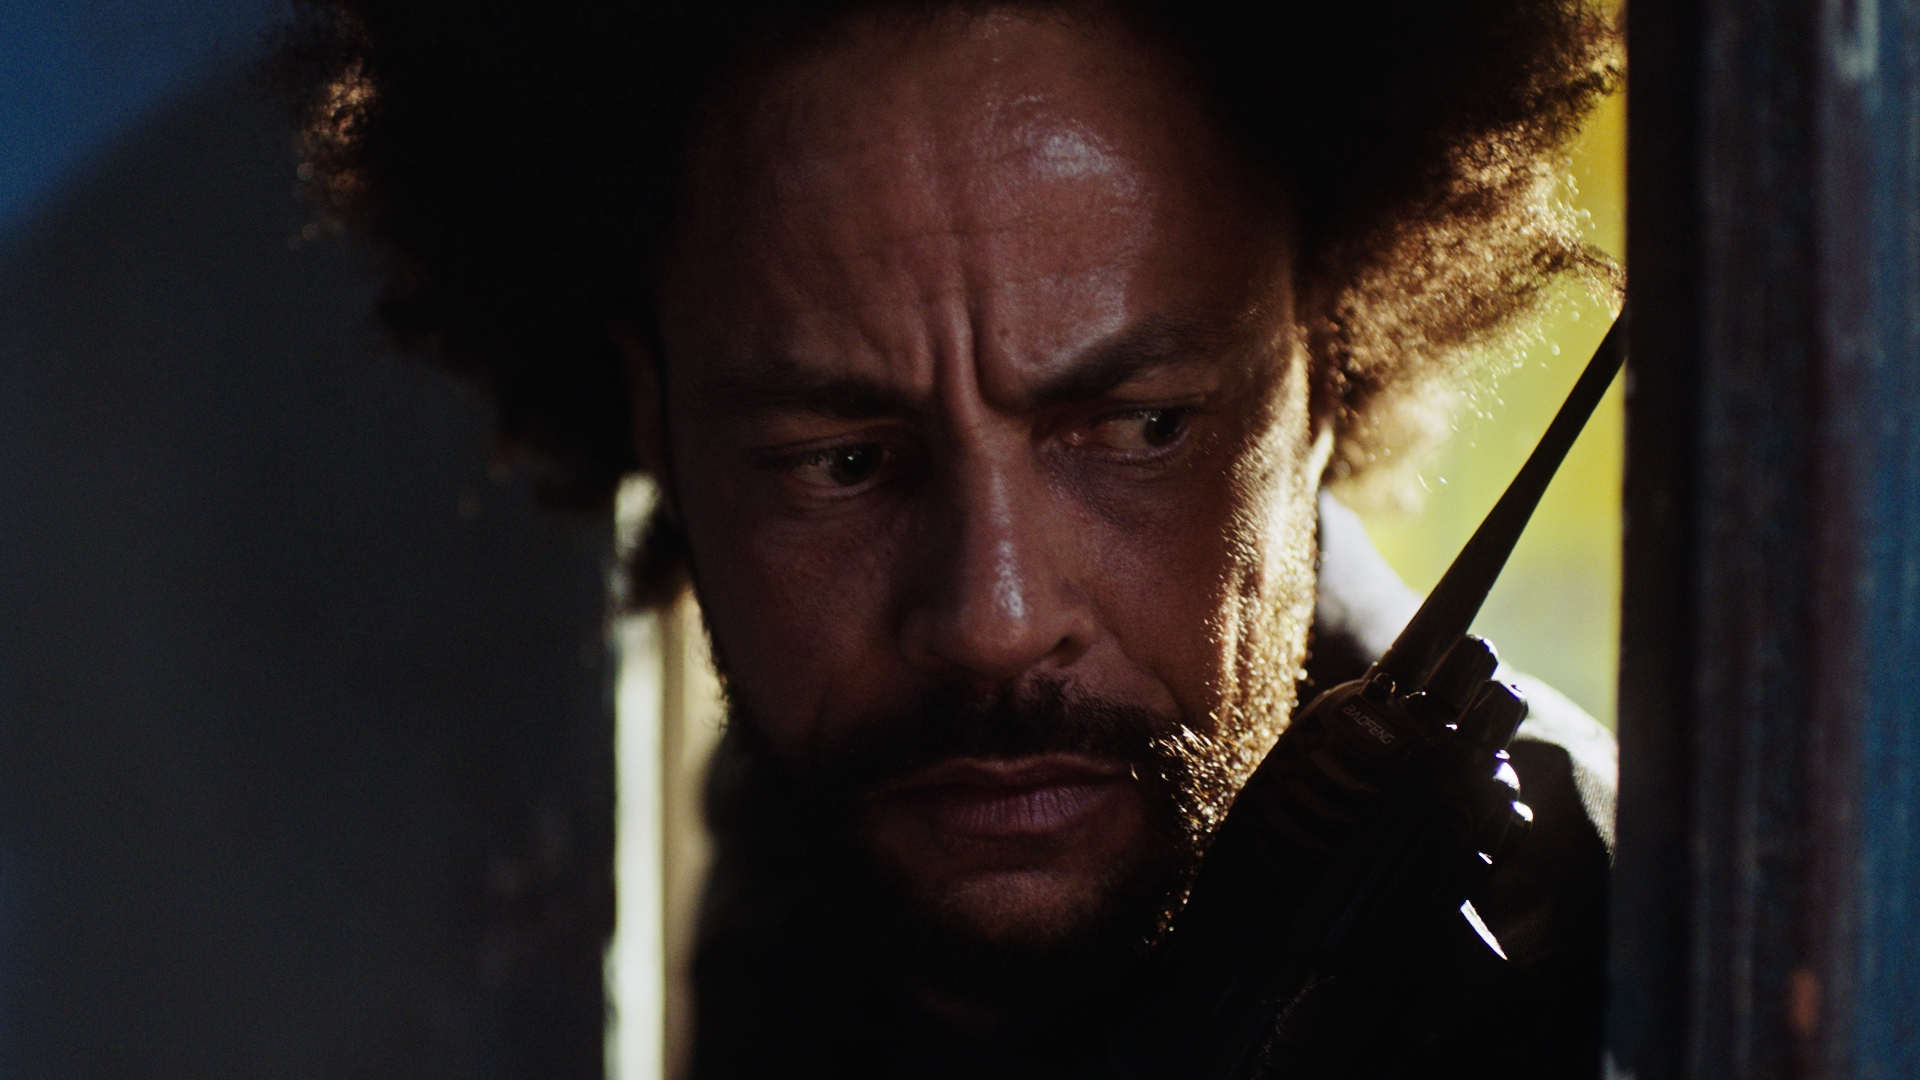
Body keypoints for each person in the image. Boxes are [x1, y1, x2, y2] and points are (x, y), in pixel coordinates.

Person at [272, 1, 1622, 1075]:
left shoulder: (1611, 977)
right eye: (843, 463)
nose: (992, 621)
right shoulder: (804, 852)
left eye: (1142, 428)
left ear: (1323, 372)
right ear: (656, 420)